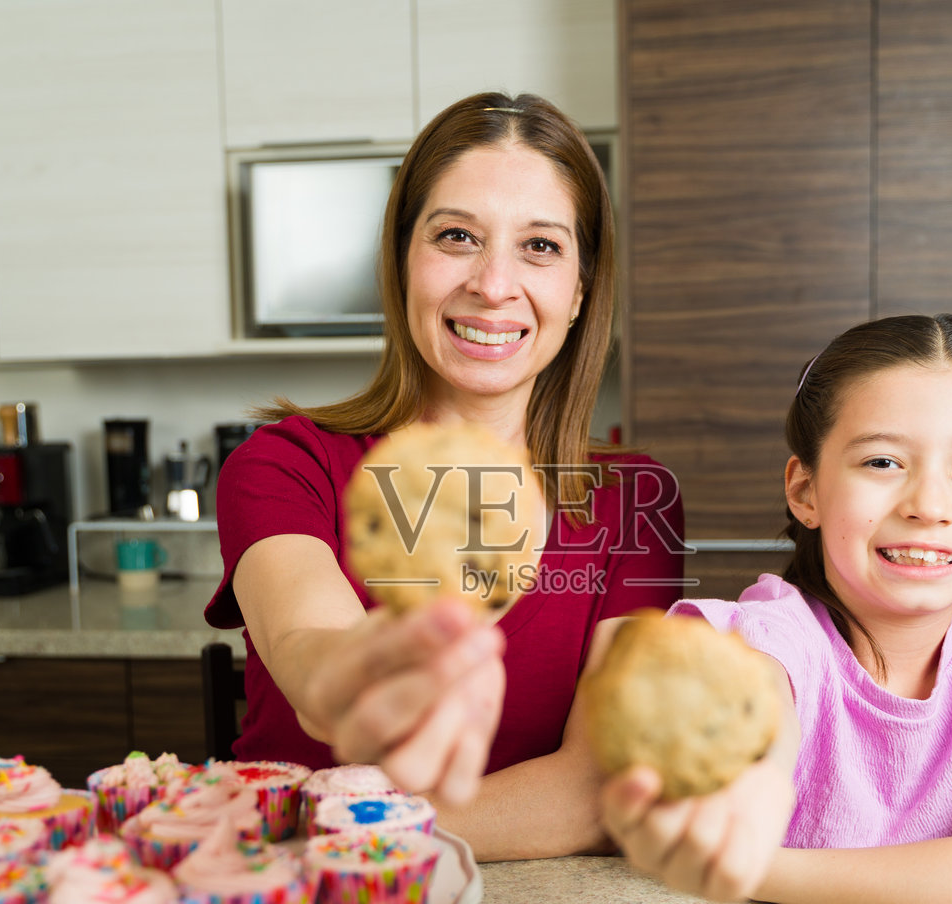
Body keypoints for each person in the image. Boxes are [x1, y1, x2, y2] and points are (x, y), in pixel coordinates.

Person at [205, 91, 687, 862]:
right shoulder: (284, 463)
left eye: (540, 247)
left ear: (582, 288)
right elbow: (308, 642)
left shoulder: (632, 500)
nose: (493, 284)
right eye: (457, 236)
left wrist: (350, 827)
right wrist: (369, 672)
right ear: (401, 260)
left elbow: (595, 787)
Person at [599, 313, 952, 904]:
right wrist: (746, 785)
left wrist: (760, 870)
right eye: (882, 462)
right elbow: (759, 719)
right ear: (806, 490)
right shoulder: (777, 632)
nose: (928, 506)